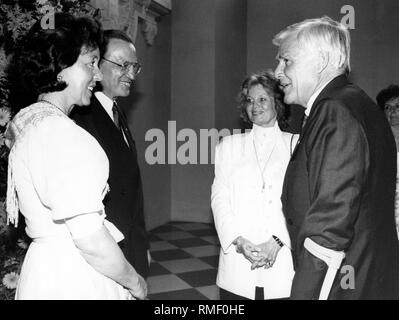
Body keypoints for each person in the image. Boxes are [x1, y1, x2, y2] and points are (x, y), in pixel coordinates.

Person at [5, 13, 147, 300]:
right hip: (75, 274)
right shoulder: (65, 134)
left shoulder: (29, 123)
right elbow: (91, 240)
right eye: (90, 63)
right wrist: (135, 282)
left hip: (43, 270)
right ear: (61, 68)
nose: (96, 75)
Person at [273, 16, 399, 299]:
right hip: (366, 274)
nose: (277, 71)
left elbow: (330, 226)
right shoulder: (353, 102)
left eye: (286, 61)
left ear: (320, 61)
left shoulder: (335, 110)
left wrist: (305, 294)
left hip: (346, 281)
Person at [70, 30, 150, 279]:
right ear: (95, 65)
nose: (130, 75)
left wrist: (140, 245)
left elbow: (131, 187)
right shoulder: (81, 116)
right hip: (104, 256)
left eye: (134, 67)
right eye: (122, 65)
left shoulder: (115, 110)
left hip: (127, 246)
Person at [211, 71, 297, 300]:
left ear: (277, 103)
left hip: (282, 260)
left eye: (262, 99)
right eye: (250, 100)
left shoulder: (296, 146)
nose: (254, 106)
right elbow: (219, 199)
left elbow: (302, 204)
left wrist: (279, 240)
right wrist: (238, 241)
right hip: (238, 261)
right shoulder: (227, 146)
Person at [376, 85, 399, 238]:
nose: (393, 111)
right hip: (386, 208)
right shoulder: (376, 143)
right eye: (387, 107)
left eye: (398, 106)